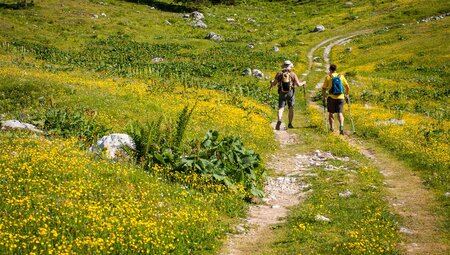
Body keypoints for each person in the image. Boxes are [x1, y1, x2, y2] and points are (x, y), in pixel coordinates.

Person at [270, 60, 306, 130]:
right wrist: (304, 82)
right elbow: (298, 84)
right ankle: (290, 124)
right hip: (290, 93)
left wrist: (271, 82)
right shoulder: (293, 74)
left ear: (283, 66)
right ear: (290, 66)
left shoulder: (279, 73)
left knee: (281, 108)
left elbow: (274, 83)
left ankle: (279, 120)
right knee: (291, 107)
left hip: (281, 92)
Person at [321, 64, 350, 135]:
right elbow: (347, 86)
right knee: (340, 113)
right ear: (336, 69)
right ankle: (341, 126)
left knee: (331, 113)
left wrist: (323, 97)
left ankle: (332, 128)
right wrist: (346, 95)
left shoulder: (328, 77)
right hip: (341, 97)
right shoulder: (341, 76)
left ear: (330, 69)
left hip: (331, 97)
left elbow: (324, 88)